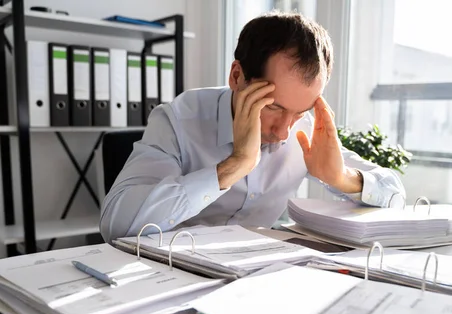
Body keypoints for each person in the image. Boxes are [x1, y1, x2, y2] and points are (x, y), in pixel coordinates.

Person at [100, 11, 405, 242]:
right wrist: (233, 167)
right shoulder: (179, 119)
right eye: (273, 106)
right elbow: (116, 224)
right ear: (237, 77)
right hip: (172, 274)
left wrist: (343, 178)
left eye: (300, 112)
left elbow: (395, 195)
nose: (285, 131)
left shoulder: (305, 131)